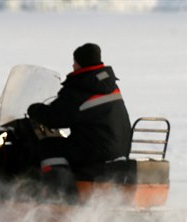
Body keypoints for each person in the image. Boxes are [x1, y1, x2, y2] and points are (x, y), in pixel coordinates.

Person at [27, 43, 132, 197]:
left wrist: (34, 110)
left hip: (96, 152)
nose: (73, 65)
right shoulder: (109, 84)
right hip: (119, 148)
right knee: (66, 144)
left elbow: (55, 117)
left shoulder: (82, 86)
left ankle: (61, 196)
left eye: (75, 61)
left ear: (81, 62)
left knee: (48, 146)